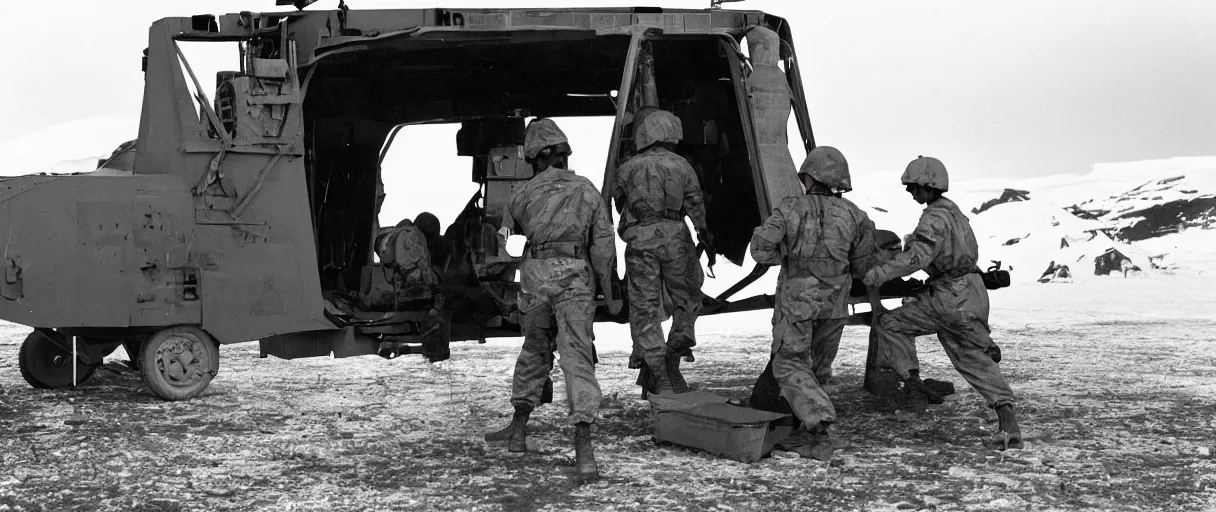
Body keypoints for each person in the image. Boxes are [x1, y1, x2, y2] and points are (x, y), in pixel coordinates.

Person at [483, 118, 618, 482]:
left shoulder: (521, 195)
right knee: (576, 354)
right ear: (563, 154)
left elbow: (507, 241)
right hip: (575, 278)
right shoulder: (586, 190)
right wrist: (609, 286)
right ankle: (584, 448)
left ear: (533, 158)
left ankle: (518, 432)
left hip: (536, 278)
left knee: (535, 348)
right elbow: (603, 244)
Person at [862, 155, 1024, 450]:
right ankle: (1007, 419)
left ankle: (912, 384)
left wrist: (878, 273)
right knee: (972, 358)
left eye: (913, 187)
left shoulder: (934, 217)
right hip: (971, 293)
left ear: (927, 186)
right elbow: (962, 259)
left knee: (890, 323)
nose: (911, 193)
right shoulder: (956, 214)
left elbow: (917, 257)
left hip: (949, 297)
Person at [748, 146, 876, 461]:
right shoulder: (855, 215)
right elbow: (862, 265)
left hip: (798, 303)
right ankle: (806, 433)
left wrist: (784, 257)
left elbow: (761, 248)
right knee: (817, 367)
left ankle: (820, 431)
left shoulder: (791, 208)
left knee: (789, 364)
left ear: (810, 176)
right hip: (835, 305)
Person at [610, 109, 709, 396]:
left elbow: (617, 202)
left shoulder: (628, 167)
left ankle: (658, 373)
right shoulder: (682, 165)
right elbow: (695, 206)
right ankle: (673, 357)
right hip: (676, 237)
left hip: (640, 240)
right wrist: (704, 235)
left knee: (644, 308)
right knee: (688, 299)